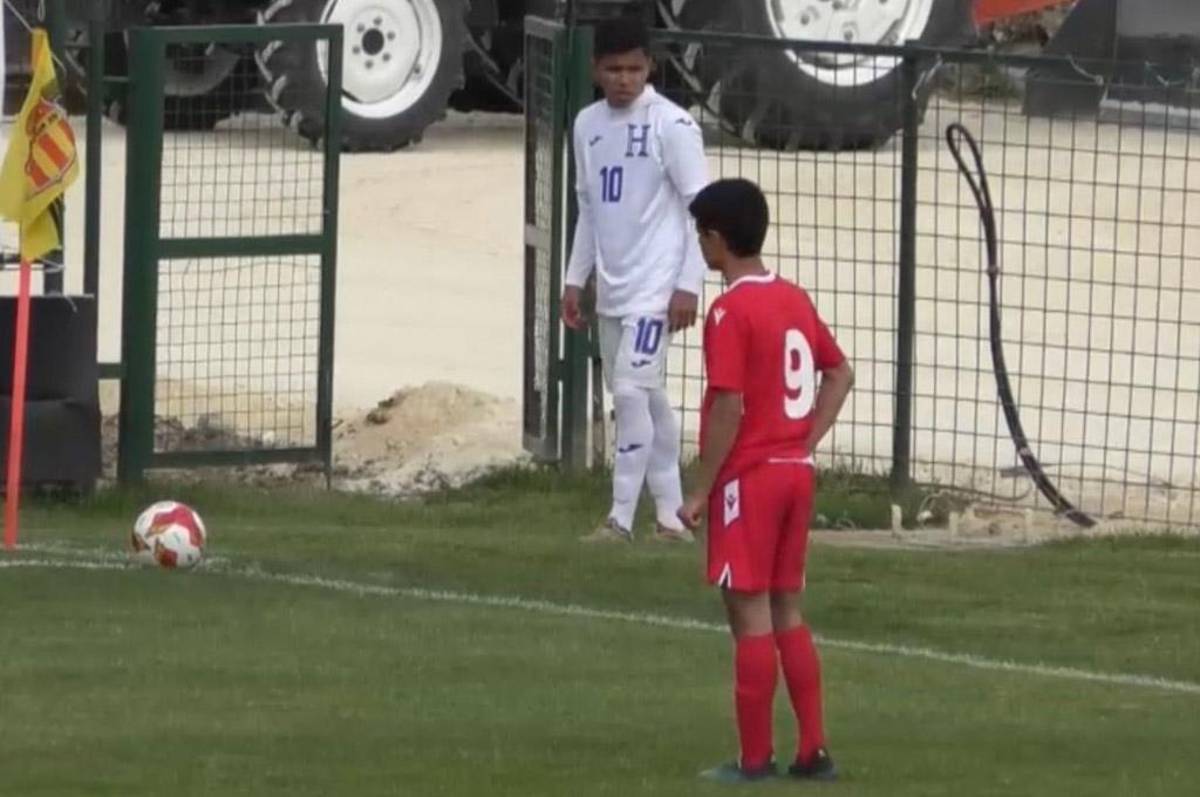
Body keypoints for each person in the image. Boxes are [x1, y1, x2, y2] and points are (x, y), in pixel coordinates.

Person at [677, 178, 854, 783]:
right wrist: (803, 444)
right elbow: (840, 373)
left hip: (749, 480)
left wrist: (701, 489)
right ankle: (813, 750)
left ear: (716, 239)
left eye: (700, 234)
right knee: (787, 609)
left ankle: (755, 759)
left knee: (748, 612)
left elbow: (728, 404)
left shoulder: (730, 310)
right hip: (795, 475)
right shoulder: (792, 297)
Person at [561, 15, 709, 544]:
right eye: (613, 69)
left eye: (634, 69)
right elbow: (588, 208)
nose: (624, 79)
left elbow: (702, 211)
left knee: (628, 393)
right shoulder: (586, 125)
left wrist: (688, 284)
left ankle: (619, 518)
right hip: (613, 289)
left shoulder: (673, 126)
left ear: (650, 67)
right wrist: (575, 278)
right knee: (646, 396)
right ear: (595, 69)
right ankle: (672, 517)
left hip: (656, 289)